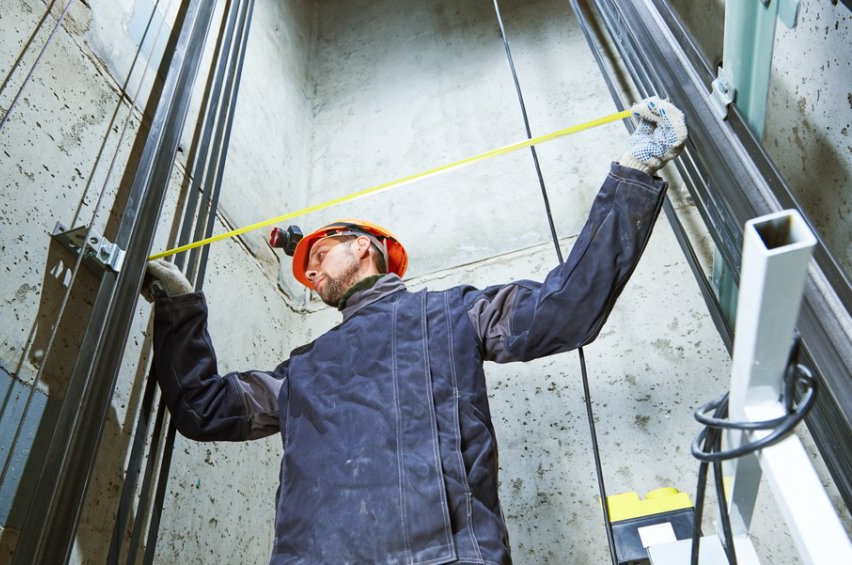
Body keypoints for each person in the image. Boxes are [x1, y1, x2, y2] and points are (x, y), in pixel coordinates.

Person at [145, 97, 687, 564]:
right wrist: (179, 309)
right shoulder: (302, 371)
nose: (310, 274)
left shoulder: (452, 315)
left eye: (321, 255)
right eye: (306, 269)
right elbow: (204, 409)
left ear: (364, 246)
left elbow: (565, 308)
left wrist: (634, 171)